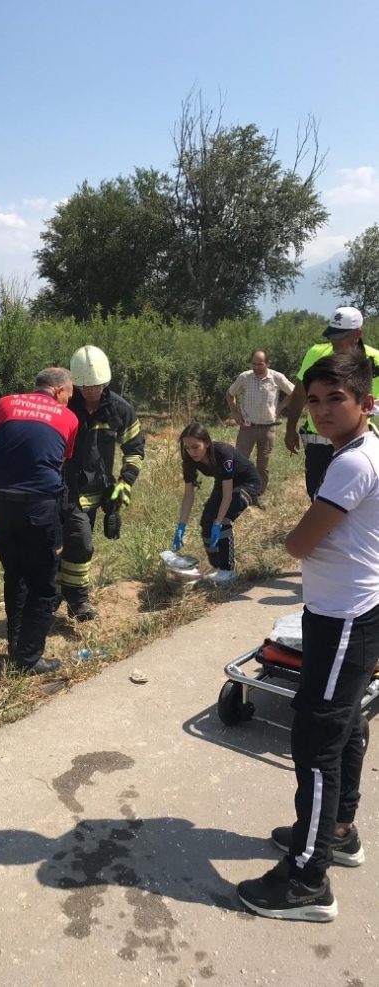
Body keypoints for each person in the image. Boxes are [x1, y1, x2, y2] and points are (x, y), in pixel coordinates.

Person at [238, 350, 379, 922]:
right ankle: (338, 830)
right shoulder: (365, 450)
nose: (320, 411)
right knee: (342, 726)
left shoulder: (350, 464)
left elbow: (299, 543)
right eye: (314, 400)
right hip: (350, 607)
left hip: (345, 613)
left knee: (316, 741)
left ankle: (306, 880)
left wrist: (296, 538)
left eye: (335, 400)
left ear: (366, 403)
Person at [0, 368, 78, 674]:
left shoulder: (5, 404)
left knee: (15, 574)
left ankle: (15, 644)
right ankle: (28, 658)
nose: (68, 402)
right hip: (38, 507)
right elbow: (58, 461)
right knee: (43, 584)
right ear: (60, 390)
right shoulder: (68, 418)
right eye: (69, 396)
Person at [58, 346, 145, 621]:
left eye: (96, 385)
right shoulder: (65, 407)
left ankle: (60, 596)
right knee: (80, 542)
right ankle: (75, 601)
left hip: (98, 493)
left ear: (106, 381)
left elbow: (135, 450)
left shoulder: (119, 409)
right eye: (84, 385)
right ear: (75, 383)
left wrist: (125, 484)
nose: (91, 391)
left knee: (76, 546)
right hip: (65, 490)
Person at [285, 306, 379, 500]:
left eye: (341, 336)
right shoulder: (316, 353)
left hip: (356, 443)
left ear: (358, 333)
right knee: (318, 496)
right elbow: (300, 392)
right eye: (332, 335)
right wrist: (290, 427)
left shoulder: (375, 360)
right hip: (320, 442)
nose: (334, 341)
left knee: (355, 500)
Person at [173, 423, 260, 584]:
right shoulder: (189, 459)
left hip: (247, 483)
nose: (192, 452)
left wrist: (219, 523)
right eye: (187, 448)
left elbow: (228, 495)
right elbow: (188, 495)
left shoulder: (223, 453)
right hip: (223, 484)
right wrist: (181, 526)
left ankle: (228, 570)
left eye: (195, 447)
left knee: (223, 520)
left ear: (206, 442)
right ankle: (217, 566)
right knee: (206, 521)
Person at [226, 349, 293, 501]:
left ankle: (257, 495)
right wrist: (235, 413)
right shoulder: (244, 377)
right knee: (241, 462)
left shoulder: (277, 378)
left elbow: (294, 393)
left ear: (268, 363)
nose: (256, 367)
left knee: (263, 465)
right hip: (247, 428)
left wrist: (281, 407)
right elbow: (229, 394)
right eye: (254, 364)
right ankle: (237, 494)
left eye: (260, 364)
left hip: (268, 429)